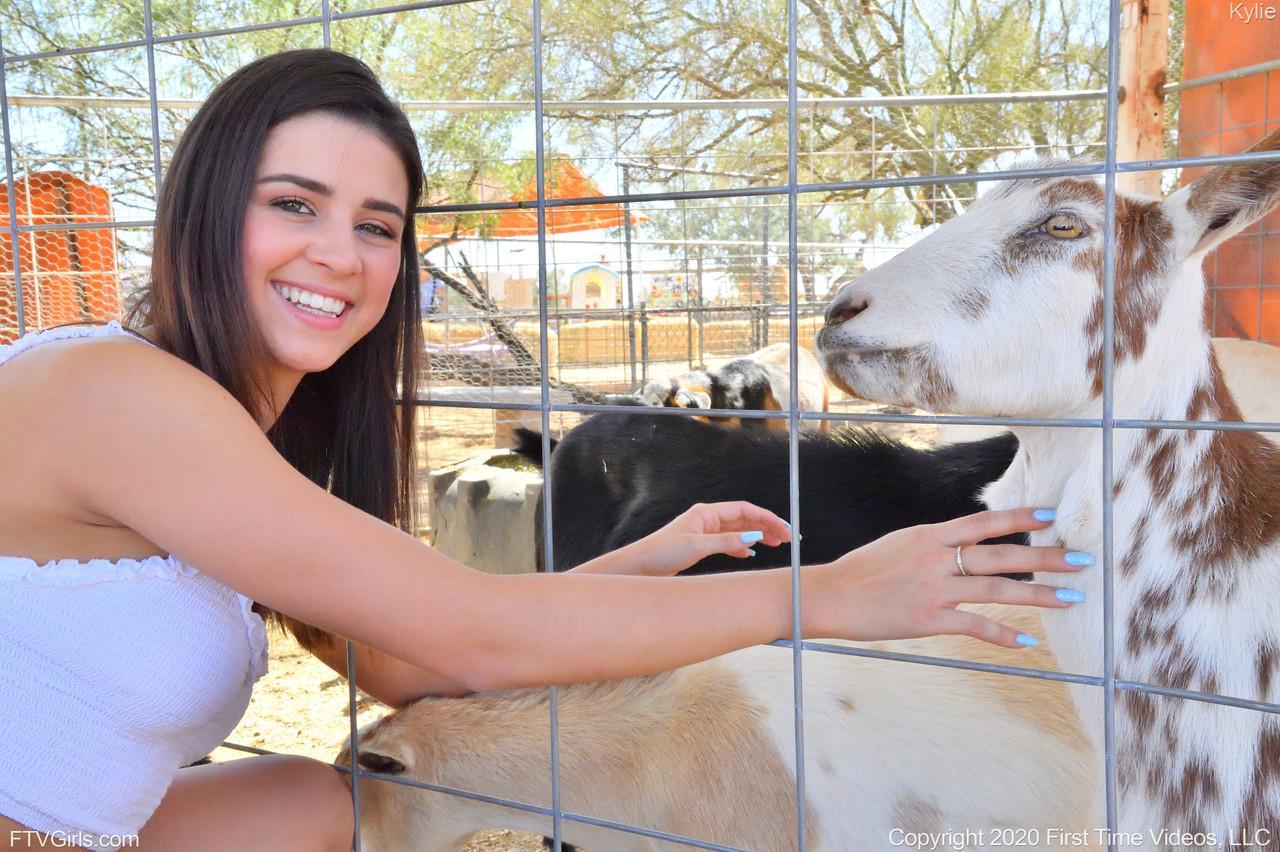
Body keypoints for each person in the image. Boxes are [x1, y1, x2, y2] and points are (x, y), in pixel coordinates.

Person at [0, 49, 1089, 852]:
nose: (338, 255)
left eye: (378, 226)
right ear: (200, 210)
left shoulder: (250, 445)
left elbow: (403, 660)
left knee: (317, 801)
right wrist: (832, 594)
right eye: (294, 205)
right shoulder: (115, 394)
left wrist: (635, 566)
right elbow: (465, 636)